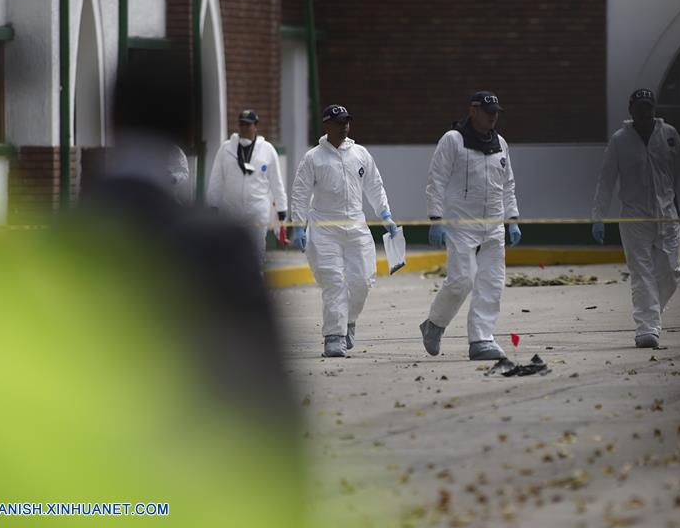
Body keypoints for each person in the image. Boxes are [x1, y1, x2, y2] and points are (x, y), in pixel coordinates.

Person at [420, 91, 521, 361]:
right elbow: (436, 180)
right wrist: (435, 219)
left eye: (496, 112)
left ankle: (481, 339)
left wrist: (512, 219)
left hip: (494, 225)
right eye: (488, 112)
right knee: (462, 280)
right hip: (460, 224)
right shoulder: (453, 140)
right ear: (473, 111)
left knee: (492, 282)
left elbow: (508, 184)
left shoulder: (500, 143)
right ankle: (434, 324)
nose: (493, 117)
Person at [290, 104, 397, 358]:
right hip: (324, 227)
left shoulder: (360, 154)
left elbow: (374, 186)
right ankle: (333, 336)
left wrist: (386, 215)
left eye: (347, 122)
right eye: (339, 123)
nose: (344, 127)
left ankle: (348, 320)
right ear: (326, 125)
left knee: (362, 280)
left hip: (356, 226)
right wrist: (298, 226)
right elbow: (300, 193)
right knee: (334, 281)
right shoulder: (313, 157)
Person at [591, 88, 680, 348]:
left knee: (672, 271)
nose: (644, 113)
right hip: (634, 217)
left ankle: (651, 317)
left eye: (648, 108)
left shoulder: (669, 135)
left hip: (667, 215)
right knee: (642, 272)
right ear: (631, 110)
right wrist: (598, 216)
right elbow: (606, 179)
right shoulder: (620, 140)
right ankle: (646, 328)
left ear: (654, 109)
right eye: (640, 108)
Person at [207, 109, 288, 262]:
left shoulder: (267, 150)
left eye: (248, 125)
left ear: (255, 126)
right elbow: (216, 179)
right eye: (242, 124)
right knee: (229, 252)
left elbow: (277, 182)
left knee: (256, 252)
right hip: (231, 210)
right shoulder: (226, 148)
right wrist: (213, 205)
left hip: (257, 210)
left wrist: (282, 210)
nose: (244, 128)